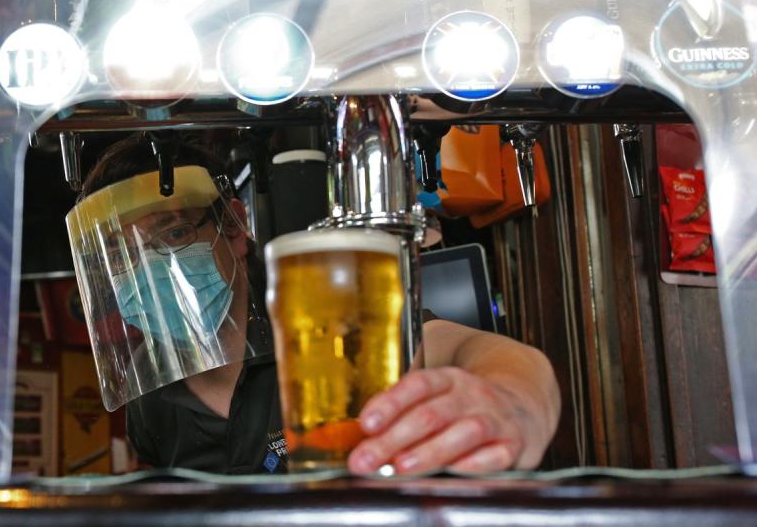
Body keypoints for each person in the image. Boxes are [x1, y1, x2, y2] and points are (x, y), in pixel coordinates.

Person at [66, 132, 560, 476]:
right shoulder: (147, 398)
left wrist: (516, 404)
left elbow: (473, 351)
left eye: (172, 234)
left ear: (234, 227)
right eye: (121, 257)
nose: (146, 272)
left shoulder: (321, 324)